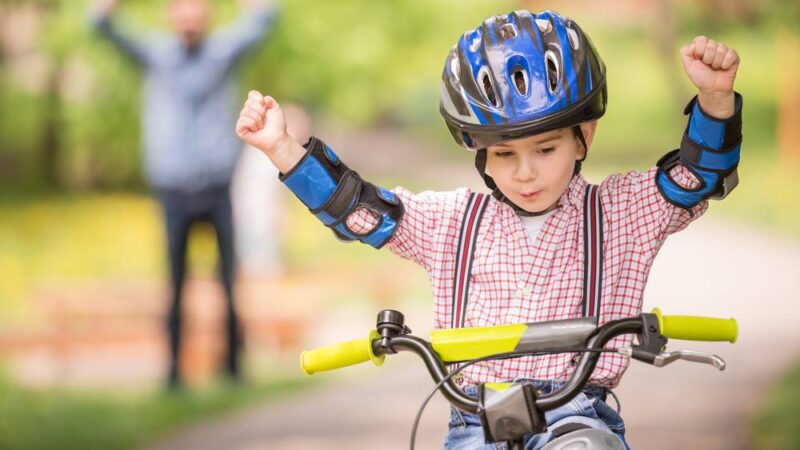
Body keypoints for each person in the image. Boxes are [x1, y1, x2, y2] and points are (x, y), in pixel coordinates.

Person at [236, 10, 741, 449]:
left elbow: (696, 179)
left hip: (577, 416)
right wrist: (284, 150)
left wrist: (715, 101)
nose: (525, 173)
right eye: (504, 155)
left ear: (584, 136)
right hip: (473, 421)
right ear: (480, 153)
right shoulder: (454, 221)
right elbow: (362, 211)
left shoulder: (621, 211)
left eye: (546, 150)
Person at [89, 0, 277, 388]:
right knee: (175, 283)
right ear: (170, 14)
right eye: (181, 7)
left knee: (227, 281)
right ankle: (173, 374)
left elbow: (263, 20)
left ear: (207, 13)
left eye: (196, 7)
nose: (189, 14)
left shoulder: (222, 52)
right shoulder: (155, 54)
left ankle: (233, 371)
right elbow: (103, 29)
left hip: (216, 185)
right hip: (172, 187)